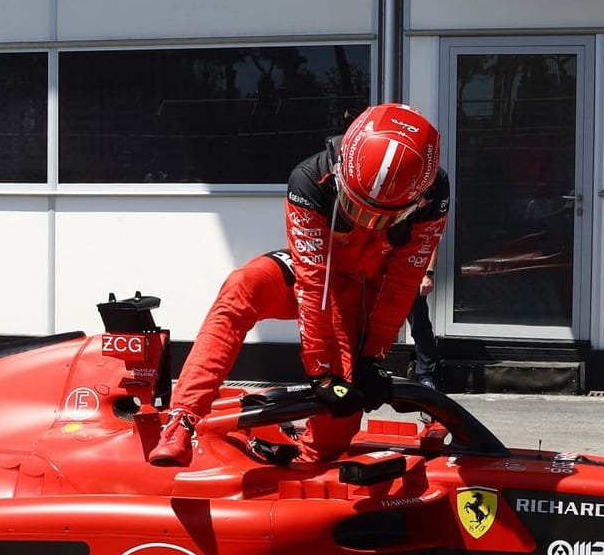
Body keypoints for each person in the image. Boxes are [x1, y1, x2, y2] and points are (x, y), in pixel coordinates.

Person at [149, 103, 450, 467]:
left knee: (344, 403)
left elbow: (403, 281)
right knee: (241, 286)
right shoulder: (309, 180)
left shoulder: (435, 196)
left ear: (417, 200)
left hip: (367, 291)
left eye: (380, 217)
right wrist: (320, 370)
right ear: (340, 174)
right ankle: (182, 419)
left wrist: (373, 356)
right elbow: (313, 283)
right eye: (356, 210)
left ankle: (311, 463)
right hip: (318, 273)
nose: (367, 224)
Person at [408, 267, 441, 389]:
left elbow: (432, 247)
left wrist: (428, 274)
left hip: (410, 271)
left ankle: (427, 377)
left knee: (420, 325)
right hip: (383, 270)